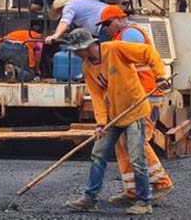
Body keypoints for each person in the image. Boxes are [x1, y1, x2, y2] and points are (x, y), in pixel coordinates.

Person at [63, 29, 167, 216]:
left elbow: (148, 52)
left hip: (134, 111)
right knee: (98, 155)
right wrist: (101, 123)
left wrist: (159, 76)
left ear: (87, 46)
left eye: (77, 50)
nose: (76, 54)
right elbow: (96, 96)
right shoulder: (88, 66)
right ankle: (89, 199)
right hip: (113, 116)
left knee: (137, 158)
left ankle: (144, 201)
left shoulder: (115, 49)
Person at [97, 5, 174, 206]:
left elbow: (127, 68)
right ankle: (131, 190)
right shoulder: (119, 37)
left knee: (138, 142)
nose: (105, 28)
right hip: (133, 97)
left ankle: (161, 183)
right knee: (122, 143)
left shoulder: (130, 34)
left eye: (107, 24)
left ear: (118, 20)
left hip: (145, 95)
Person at [44, 0, 108, 44]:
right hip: (110, 21)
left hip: (104, 25)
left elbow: (64, 22)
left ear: (59, 9)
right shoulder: (79, 2)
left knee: (106, 52)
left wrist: (56, 35)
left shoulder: (68, 7)